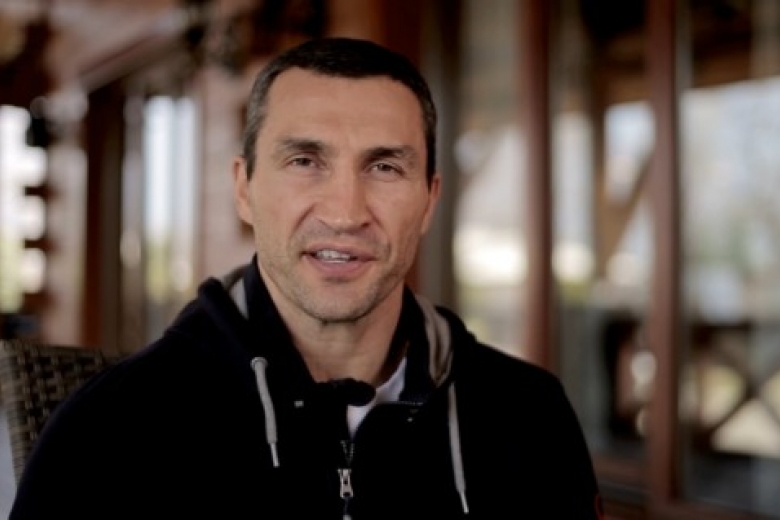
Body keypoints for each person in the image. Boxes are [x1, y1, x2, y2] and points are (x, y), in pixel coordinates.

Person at [9, 37, 603, 519]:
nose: (345, 212)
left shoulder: (530, 417)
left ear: (429, 200)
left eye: (385, 166)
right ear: (244, 188)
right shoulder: (110, 431)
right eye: (304, 161)